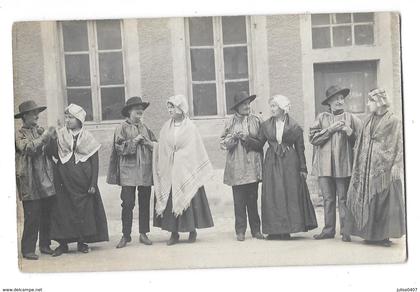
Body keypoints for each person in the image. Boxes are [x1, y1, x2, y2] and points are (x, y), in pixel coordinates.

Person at [344, 89, 405, 246]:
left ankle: (383, 236)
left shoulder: (394, 120)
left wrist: (397, 164)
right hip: (366, 167)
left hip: (384, 168)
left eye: (370, 101)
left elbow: (400, 143)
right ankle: (369, 234)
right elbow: (362, 140)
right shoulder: (367, 120)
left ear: (379, 102)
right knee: (368, 199)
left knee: (384, 200)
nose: (367, 104)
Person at [153, 95, 214, 245]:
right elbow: (162, 146)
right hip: (170, 169)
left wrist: (182, 158)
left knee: (189, 197)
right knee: (171, 198)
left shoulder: (190, 127)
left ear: (181, 109)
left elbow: (195, 148)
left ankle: (192, 230)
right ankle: (174, 233)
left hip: (186, 169)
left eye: (172, 107)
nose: (170, 110)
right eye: (169, 107)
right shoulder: (166, 127)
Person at [49, 104, 109, 256]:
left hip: (83, 181)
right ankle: (63, 244)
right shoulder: (60, 134)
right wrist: (51, 140)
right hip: (63, 180)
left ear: (79, 120)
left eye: (71, 118)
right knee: (63, 210)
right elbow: (53, 154)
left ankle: (82, 242)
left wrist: (93, 183)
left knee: (84, 212)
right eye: (66, 117)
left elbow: (94, 162)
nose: (67, 120)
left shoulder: (88, 137)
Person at [258, 95, 317, 240]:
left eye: (274, 106)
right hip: (272, 161)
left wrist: (303, 168)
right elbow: (258, 143)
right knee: (273, 194)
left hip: (290, 162)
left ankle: (288, 229)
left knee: (289, 194)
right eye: (271, 106)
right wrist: (246, 140)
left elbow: (300, 148)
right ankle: (274, 230)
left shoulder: (295, 127)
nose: (271, 109)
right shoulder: (265, 125)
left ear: (283, 108)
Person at [309, 85, 361, 242]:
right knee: (328, 199)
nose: (340, 101)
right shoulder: (321, 118)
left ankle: (346, 231)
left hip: (343, 165)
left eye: (341, 98)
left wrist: (349, 132)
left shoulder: (351, 118)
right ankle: (328, 230)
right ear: (329, 103)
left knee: (343, 198)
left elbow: (361, 140)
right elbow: (313, 139)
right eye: (336, 99)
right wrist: (330, 130)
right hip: (324, 166)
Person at [107, 96, 157, 248]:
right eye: (137, 110)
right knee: (127, 203)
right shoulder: (121, 128)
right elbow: (119, 148)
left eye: (141, 110)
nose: (140, 113)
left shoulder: (146, 128)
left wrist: (147, 142)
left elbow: (156, 145)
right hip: (128, 172)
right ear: (129, 112)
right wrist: (134, 141)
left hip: (145, 171)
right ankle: (126, 235)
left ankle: (143, 233)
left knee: (144, 202)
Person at [220, 91, 264, 241]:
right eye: (244, 104)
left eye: (248, 104)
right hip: (236, 167)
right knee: (239, 202)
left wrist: (248, 138)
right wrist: (233, 138)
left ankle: (256, 230)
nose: (247, 107)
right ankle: (240, 231)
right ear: (237, 107)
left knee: (253, 200)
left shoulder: (257, 120)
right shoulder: (230, 122)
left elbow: (261, 142)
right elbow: (222, 144)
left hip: (252, 166)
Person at [15, 100, 56, 260]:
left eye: (37, 113)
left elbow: (51, 152)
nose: (37, 116)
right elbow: (28, 149)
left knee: (46, 214)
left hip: (44, 180)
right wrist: (45, 136)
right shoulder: (19, 134)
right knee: (32, 217)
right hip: (29, 181)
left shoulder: (40, 131)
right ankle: (27, 250)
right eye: (33, 113)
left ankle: (45, 245)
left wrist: (52, 138)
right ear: (24, 116)